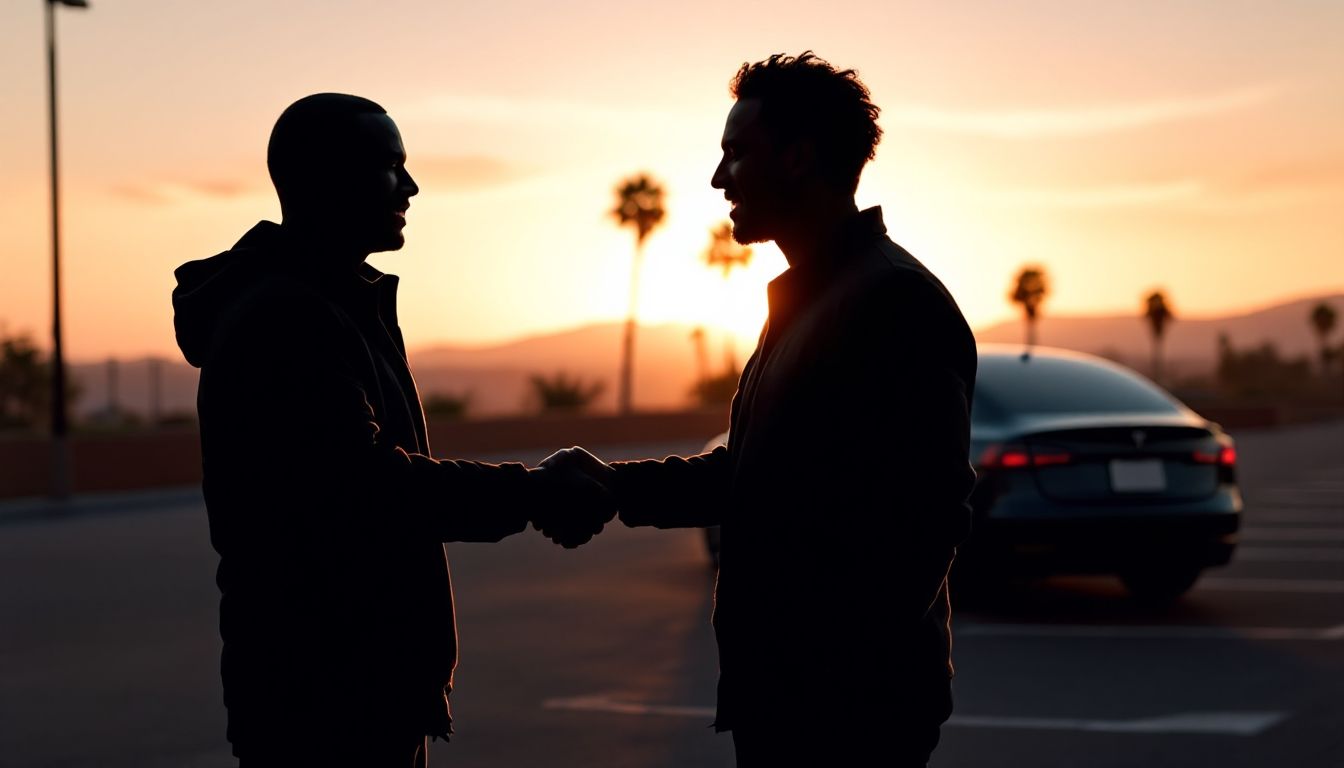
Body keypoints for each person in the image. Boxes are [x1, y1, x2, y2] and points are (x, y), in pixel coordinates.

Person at [547, 52, 977, 766]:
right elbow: (751, 477)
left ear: (799, 158)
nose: (719, 180)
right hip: (786, 697)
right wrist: (616, 486)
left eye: (736, 154)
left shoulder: (892, 302)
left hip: (846, 711)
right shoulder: (810, 299)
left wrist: (831, 673)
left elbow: (929, 517)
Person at [172, 93, 609, 767]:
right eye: (389, 167)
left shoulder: (334, 305)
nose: (410, 186)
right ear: (325, 180)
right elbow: (370, 489)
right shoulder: (284, 320)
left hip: (364, 693)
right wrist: (534, 491)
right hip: (321, 702)